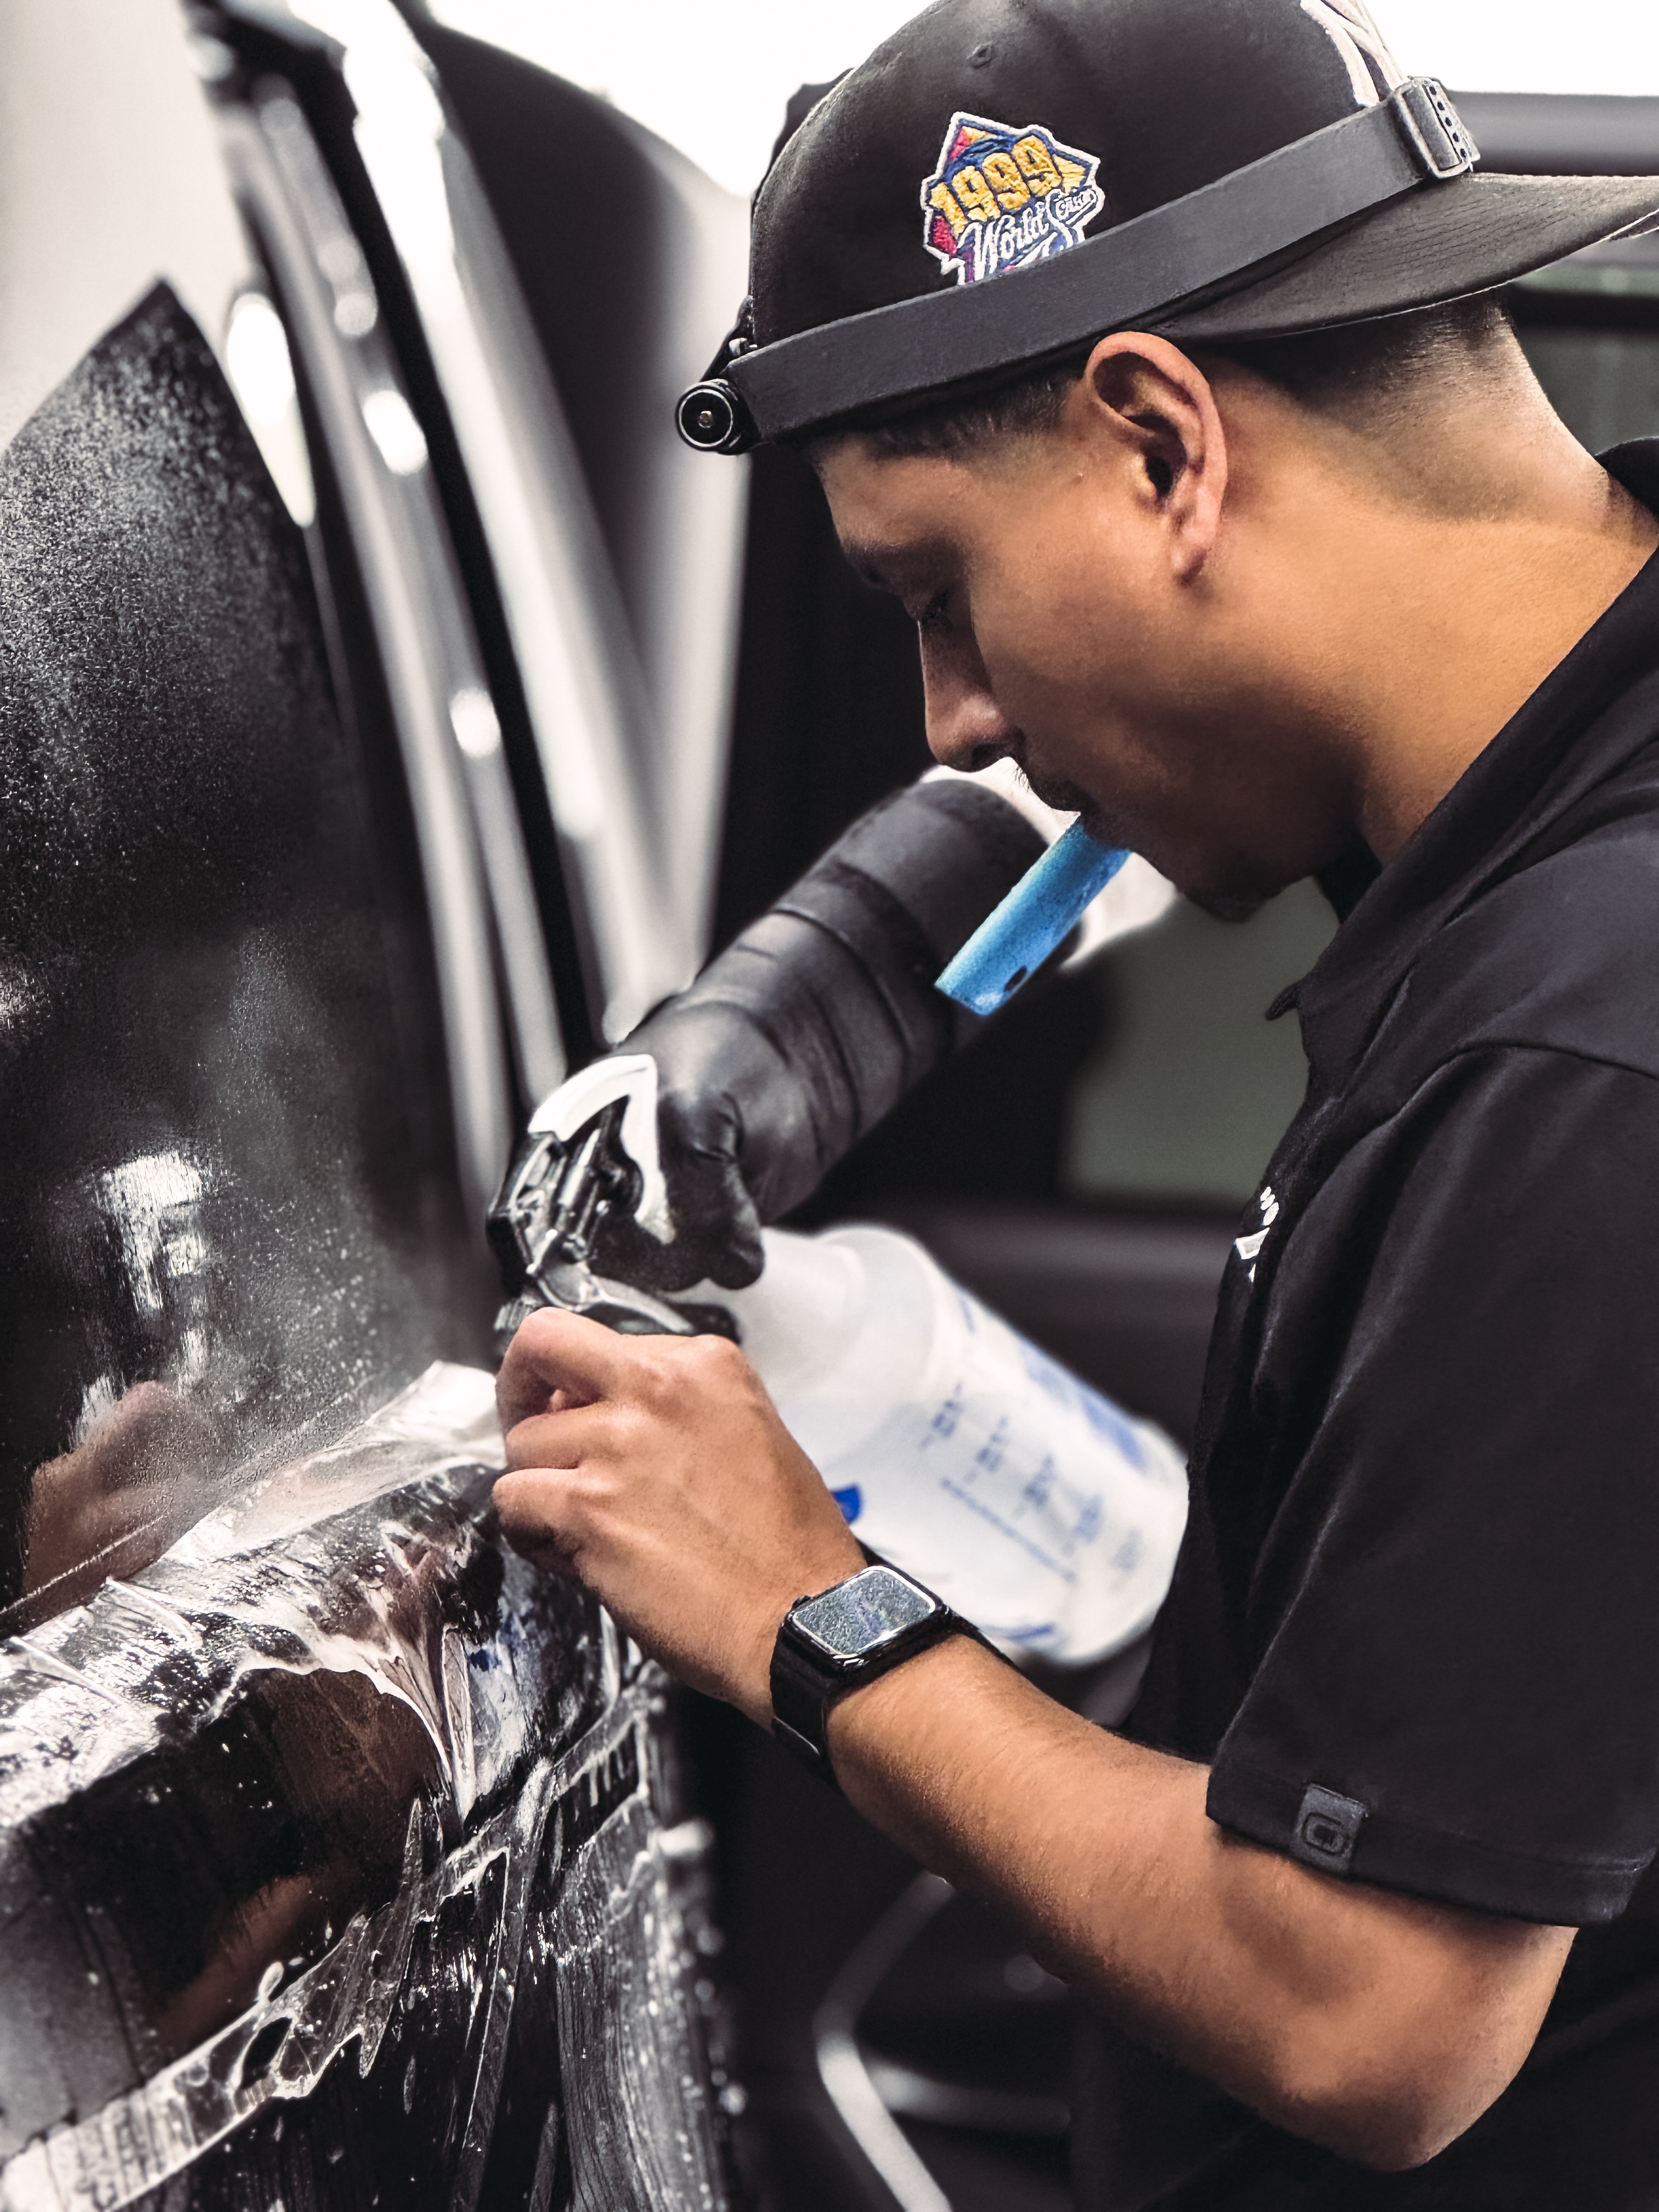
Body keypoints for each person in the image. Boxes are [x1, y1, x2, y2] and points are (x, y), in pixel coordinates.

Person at [492, 0, 1659, 2200]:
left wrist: (806, 1606)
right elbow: (1068, 847)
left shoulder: (1578, 1043)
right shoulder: (1554, 839)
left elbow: (1370, 2010)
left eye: (939, 598)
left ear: (1160, 448)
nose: (948, 718)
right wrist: (789, 1015)